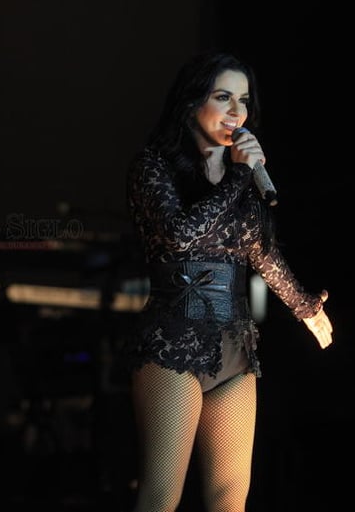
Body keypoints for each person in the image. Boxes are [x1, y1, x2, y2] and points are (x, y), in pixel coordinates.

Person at [123, 51, 333, 512]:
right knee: (161, 497)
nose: (237, 111)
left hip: (235, 341)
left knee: (230, 499)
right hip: (173, 339)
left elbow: (260, 250)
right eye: (223, 97)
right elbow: (179, 237)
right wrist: (239, 174)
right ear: (191, 102)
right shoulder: (152, 167)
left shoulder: (242, 180)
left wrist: (304, 307)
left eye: (243, 100)